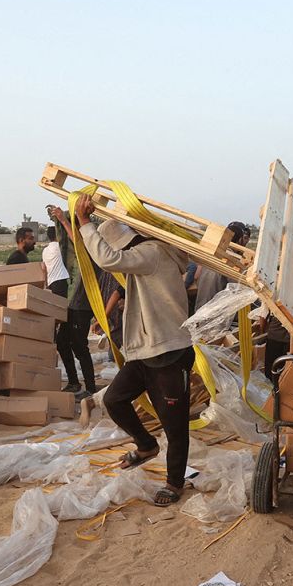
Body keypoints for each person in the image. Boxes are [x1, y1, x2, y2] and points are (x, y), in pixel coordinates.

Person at [75, 195, 193, 506]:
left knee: (175, 423)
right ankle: (145, 445)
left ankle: (175, 483)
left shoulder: (151, 252)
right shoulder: (146, 259)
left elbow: (109, 259)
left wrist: (86, 223)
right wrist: (71, 224)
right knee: (114, 399)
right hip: (145, 352)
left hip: (169, 351)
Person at [50, 209, 97, 396]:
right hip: (72, 303)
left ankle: (91, 388)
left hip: (83, 305)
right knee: (62, 341)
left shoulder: (90, 245)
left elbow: (78, 243)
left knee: (79, 345)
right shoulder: (80, 250)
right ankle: (73, 382)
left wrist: (63, 221)